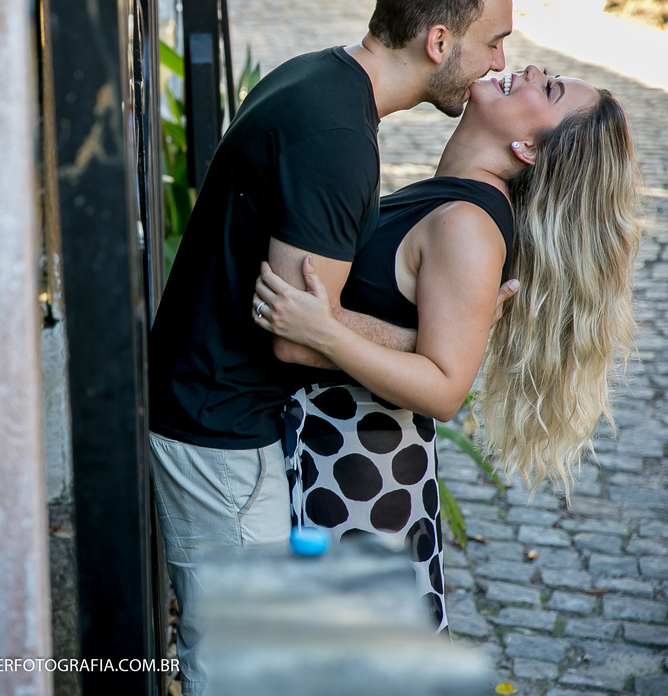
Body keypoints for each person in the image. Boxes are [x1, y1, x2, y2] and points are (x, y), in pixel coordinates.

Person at [149, 0, 515, 694]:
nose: (499, 63)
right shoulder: (340, 141)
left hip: (213, 416)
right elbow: (295, 332)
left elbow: (314, 313)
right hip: (220, 433)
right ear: (438, 40)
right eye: (493, 42)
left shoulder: (321, 78)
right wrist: (433, 346)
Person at [251, 65, 642, 631]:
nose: (530, 69)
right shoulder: (456, 204)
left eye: (549, 88)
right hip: (347, 464)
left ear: (528, 148)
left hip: (361, 479)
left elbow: (444, 388)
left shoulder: (468, 224)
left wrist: (325, 330)